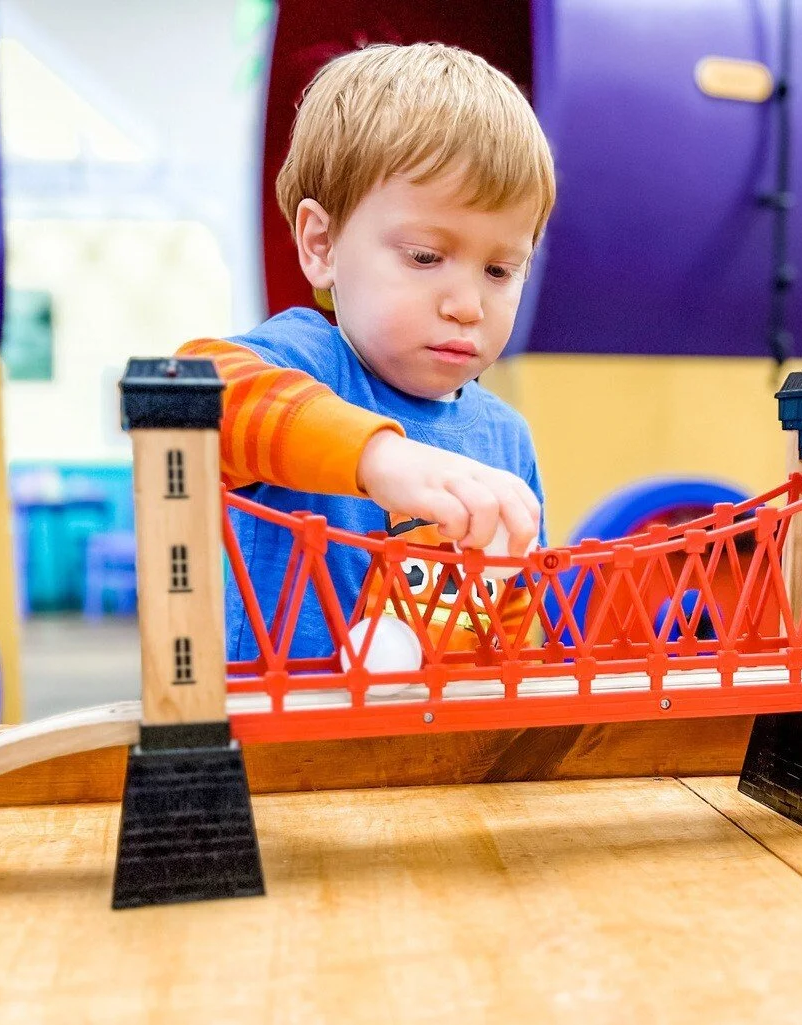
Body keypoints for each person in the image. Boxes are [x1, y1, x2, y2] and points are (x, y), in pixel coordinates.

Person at [175, 42, 556, 663]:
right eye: (426, 257)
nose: (468, 304)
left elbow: (512, 615)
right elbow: (192, 389)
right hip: (288, 747)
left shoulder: (507, 439)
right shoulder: (307, 363)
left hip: (441, 744)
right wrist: (379, 456)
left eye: (499, 269)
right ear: (322, 245)